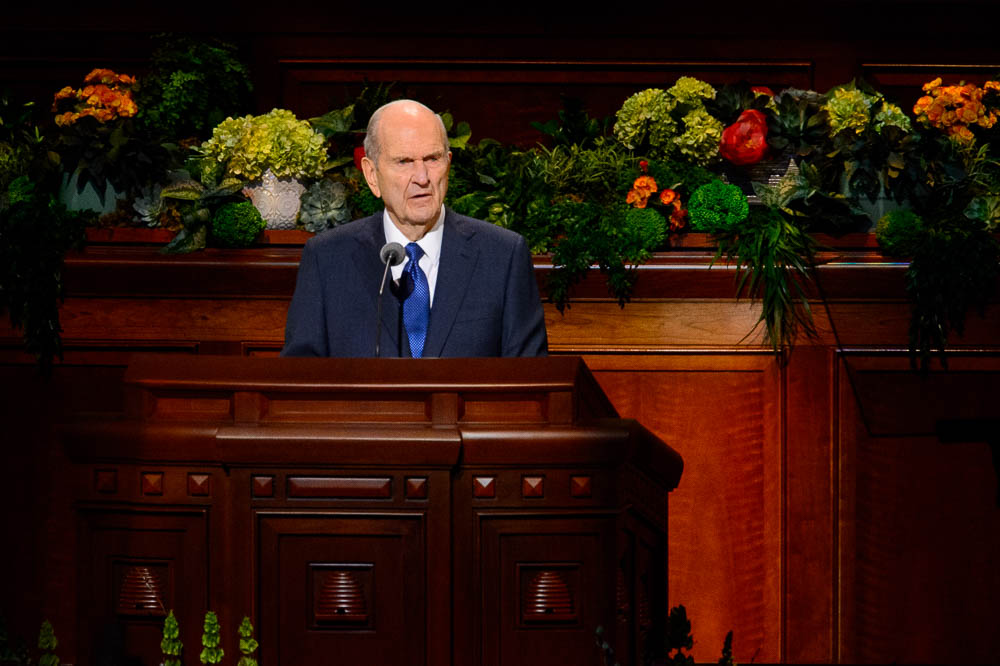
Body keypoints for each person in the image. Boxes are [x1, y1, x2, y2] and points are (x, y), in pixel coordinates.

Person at [282, 99, 548, 358]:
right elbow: (299, 382)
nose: (422, 178)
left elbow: (531, 383)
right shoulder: (328, 259)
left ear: (448, 163)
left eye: (432, 159)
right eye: (404, 162)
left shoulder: (502, 256)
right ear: (371, 175)